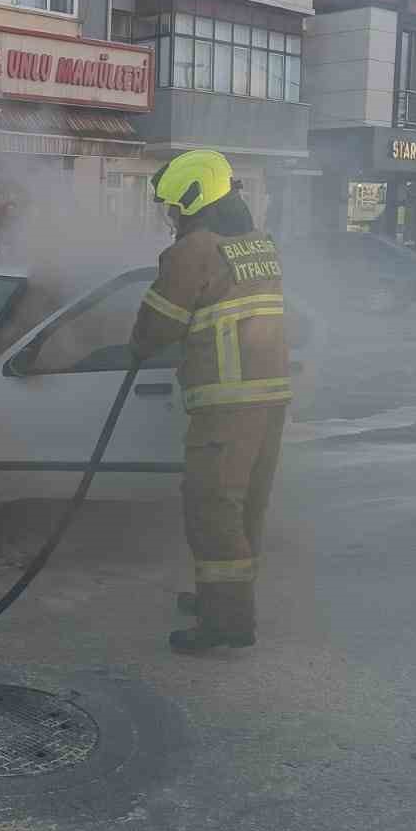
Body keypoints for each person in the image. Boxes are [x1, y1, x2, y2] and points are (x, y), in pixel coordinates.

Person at [128, 150, 290, 656]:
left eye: (174, 208)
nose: (171, 218)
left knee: (211, 507)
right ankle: (221, 600)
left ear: (195, 201)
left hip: (226, 403)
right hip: (269, 396)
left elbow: (158, 324)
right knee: (244, 509)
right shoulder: (259, 245)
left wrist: (134, 347)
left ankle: (227, 624)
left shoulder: (194, 251)